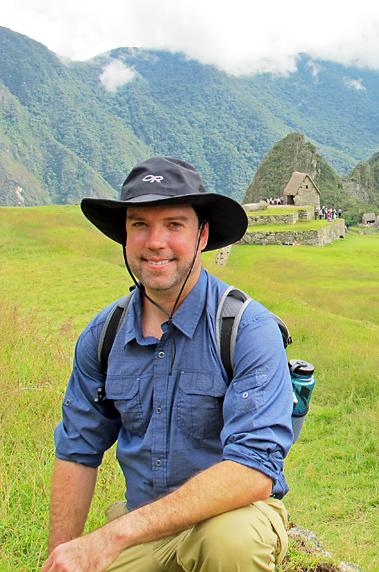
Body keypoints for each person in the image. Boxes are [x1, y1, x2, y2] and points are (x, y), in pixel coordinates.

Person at [42, 157, 294, 572]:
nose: (155, 241)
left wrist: (116, 533)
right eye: (139, 224)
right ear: (125, 236)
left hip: (230, 519)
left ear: (202, 235)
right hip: (144, 529)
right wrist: (63, 555)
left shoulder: (246, 329)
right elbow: (76, 451)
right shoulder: (103, 337)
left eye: (174, 224)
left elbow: (254, 468)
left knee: (231, 544)